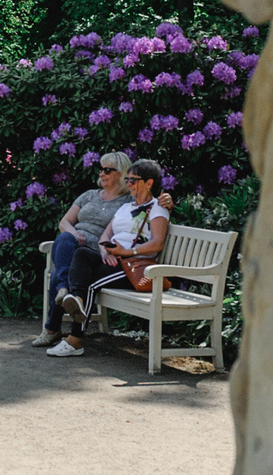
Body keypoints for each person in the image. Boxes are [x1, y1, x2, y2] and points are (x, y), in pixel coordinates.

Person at [49, 158, 172, 359]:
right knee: (81, 254)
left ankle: (75, 340)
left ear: (149, 183)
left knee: (88, 282)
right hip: (114, 258)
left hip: (135, 267)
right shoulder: (125, 208)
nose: (129, 184)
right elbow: (106, 236)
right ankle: (77, 300)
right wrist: (105, 251)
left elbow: (157, 243)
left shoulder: (157, 207)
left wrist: (127, 253)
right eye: (128, 179)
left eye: (133, 180)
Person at [34, 152, 131, 349]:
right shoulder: (89, 195)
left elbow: (150, 203)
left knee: (58, 274)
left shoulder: (127, 202)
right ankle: (64, 290)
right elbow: (65, 222)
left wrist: (168, 203)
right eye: (101, 169)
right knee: (64, 238)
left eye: (107, 170)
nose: (101, 173)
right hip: (71, 245)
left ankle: (52, 327)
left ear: (121, 173)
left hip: (95, 254)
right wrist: (73, 233)